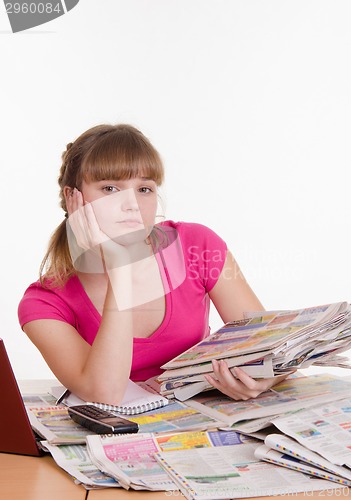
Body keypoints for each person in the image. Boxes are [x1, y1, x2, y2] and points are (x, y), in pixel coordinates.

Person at [18, 123, 287, 405]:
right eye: (110, 188)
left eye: (144, 189)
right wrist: (120, 268)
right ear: (72, 198)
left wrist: (265, 379)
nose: (132, 204)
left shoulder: (196, 245)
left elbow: (272, 349)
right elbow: (105, 393)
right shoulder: (44, 303)